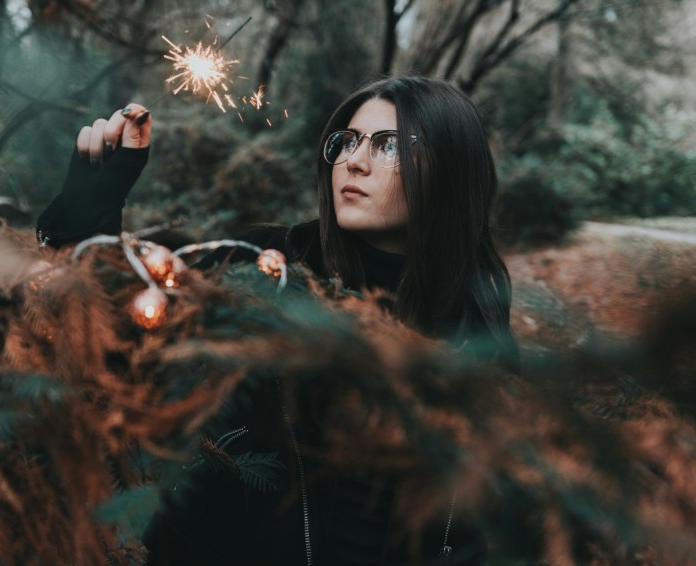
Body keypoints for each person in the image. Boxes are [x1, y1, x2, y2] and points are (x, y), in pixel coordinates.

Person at [37, 75, 518, 564]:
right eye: (346, 141)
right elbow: (110, 337)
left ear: (451, 168)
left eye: (389, 145)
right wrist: (90, 210)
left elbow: (474, 512)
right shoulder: (266, 265)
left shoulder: (476, 315)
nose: (354, 160)